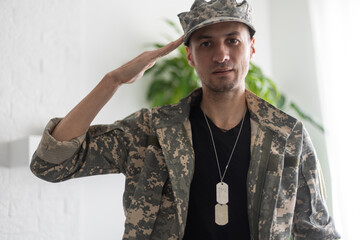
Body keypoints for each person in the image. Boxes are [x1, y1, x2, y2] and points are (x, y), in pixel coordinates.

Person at [30, 0, 340, 239]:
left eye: (232, 40)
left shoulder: (286, 136)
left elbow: (317, 233)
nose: (221, 55)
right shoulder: (151, 131)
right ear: (190, 56)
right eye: (206, 43)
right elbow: (52, 164)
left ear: (252, 48)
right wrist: (112, 81)